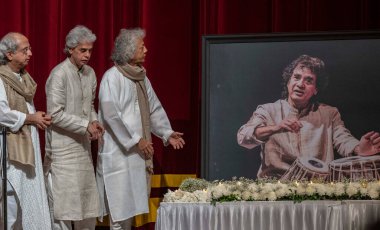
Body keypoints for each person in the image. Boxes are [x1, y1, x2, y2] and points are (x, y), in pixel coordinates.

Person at [96, 28, 185, 230]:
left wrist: (167, 133)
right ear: (128, 51)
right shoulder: (112, 77)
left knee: (130, 213)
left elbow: (153, 108)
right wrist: (137, 140)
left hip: (137, 155)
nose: (146, 50)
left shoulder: (142, 78)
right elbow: (111, 115)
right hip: (119, 154)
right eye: (141, 47)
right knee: (119, 215)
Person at [237, 54, 380, 179]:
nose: (300, 84)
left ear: (316, 89)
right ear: (288, 81)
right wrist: (276, 128)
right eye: (296, 77)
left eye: (309, 80)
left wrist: (358, 149)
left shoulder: (329, 113)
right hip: (276, 190)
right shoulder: (268, 110)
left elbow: (343, 139)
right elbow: (243, 138)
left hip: (317, 187)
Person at [44, 25, 104, 230]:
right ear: (70, 49)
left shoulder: (90, 73)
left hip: (83, 149)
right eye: (82, 50)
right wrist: (85, 124)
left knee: (86, 208)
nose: (87, 55)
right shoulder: (59, 74)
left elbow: (90, 106)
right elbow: (55, 114)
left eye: (90, 50)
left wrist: (94, 121)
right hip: (62, 152)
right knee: (64, 208)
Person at [0, 32, 52, 229]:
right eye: (25, 50)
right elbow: (2, 113)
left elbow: (23, 109)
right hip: (11, 153)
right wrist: (30, 118)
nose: (30, 53)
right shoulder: (1, 78)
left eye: (29, 49)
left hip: (28, 150)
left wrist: (35, 115)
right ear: (10, 54)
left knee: (27, 207)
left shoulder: (23, 78)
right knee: (11, 204)